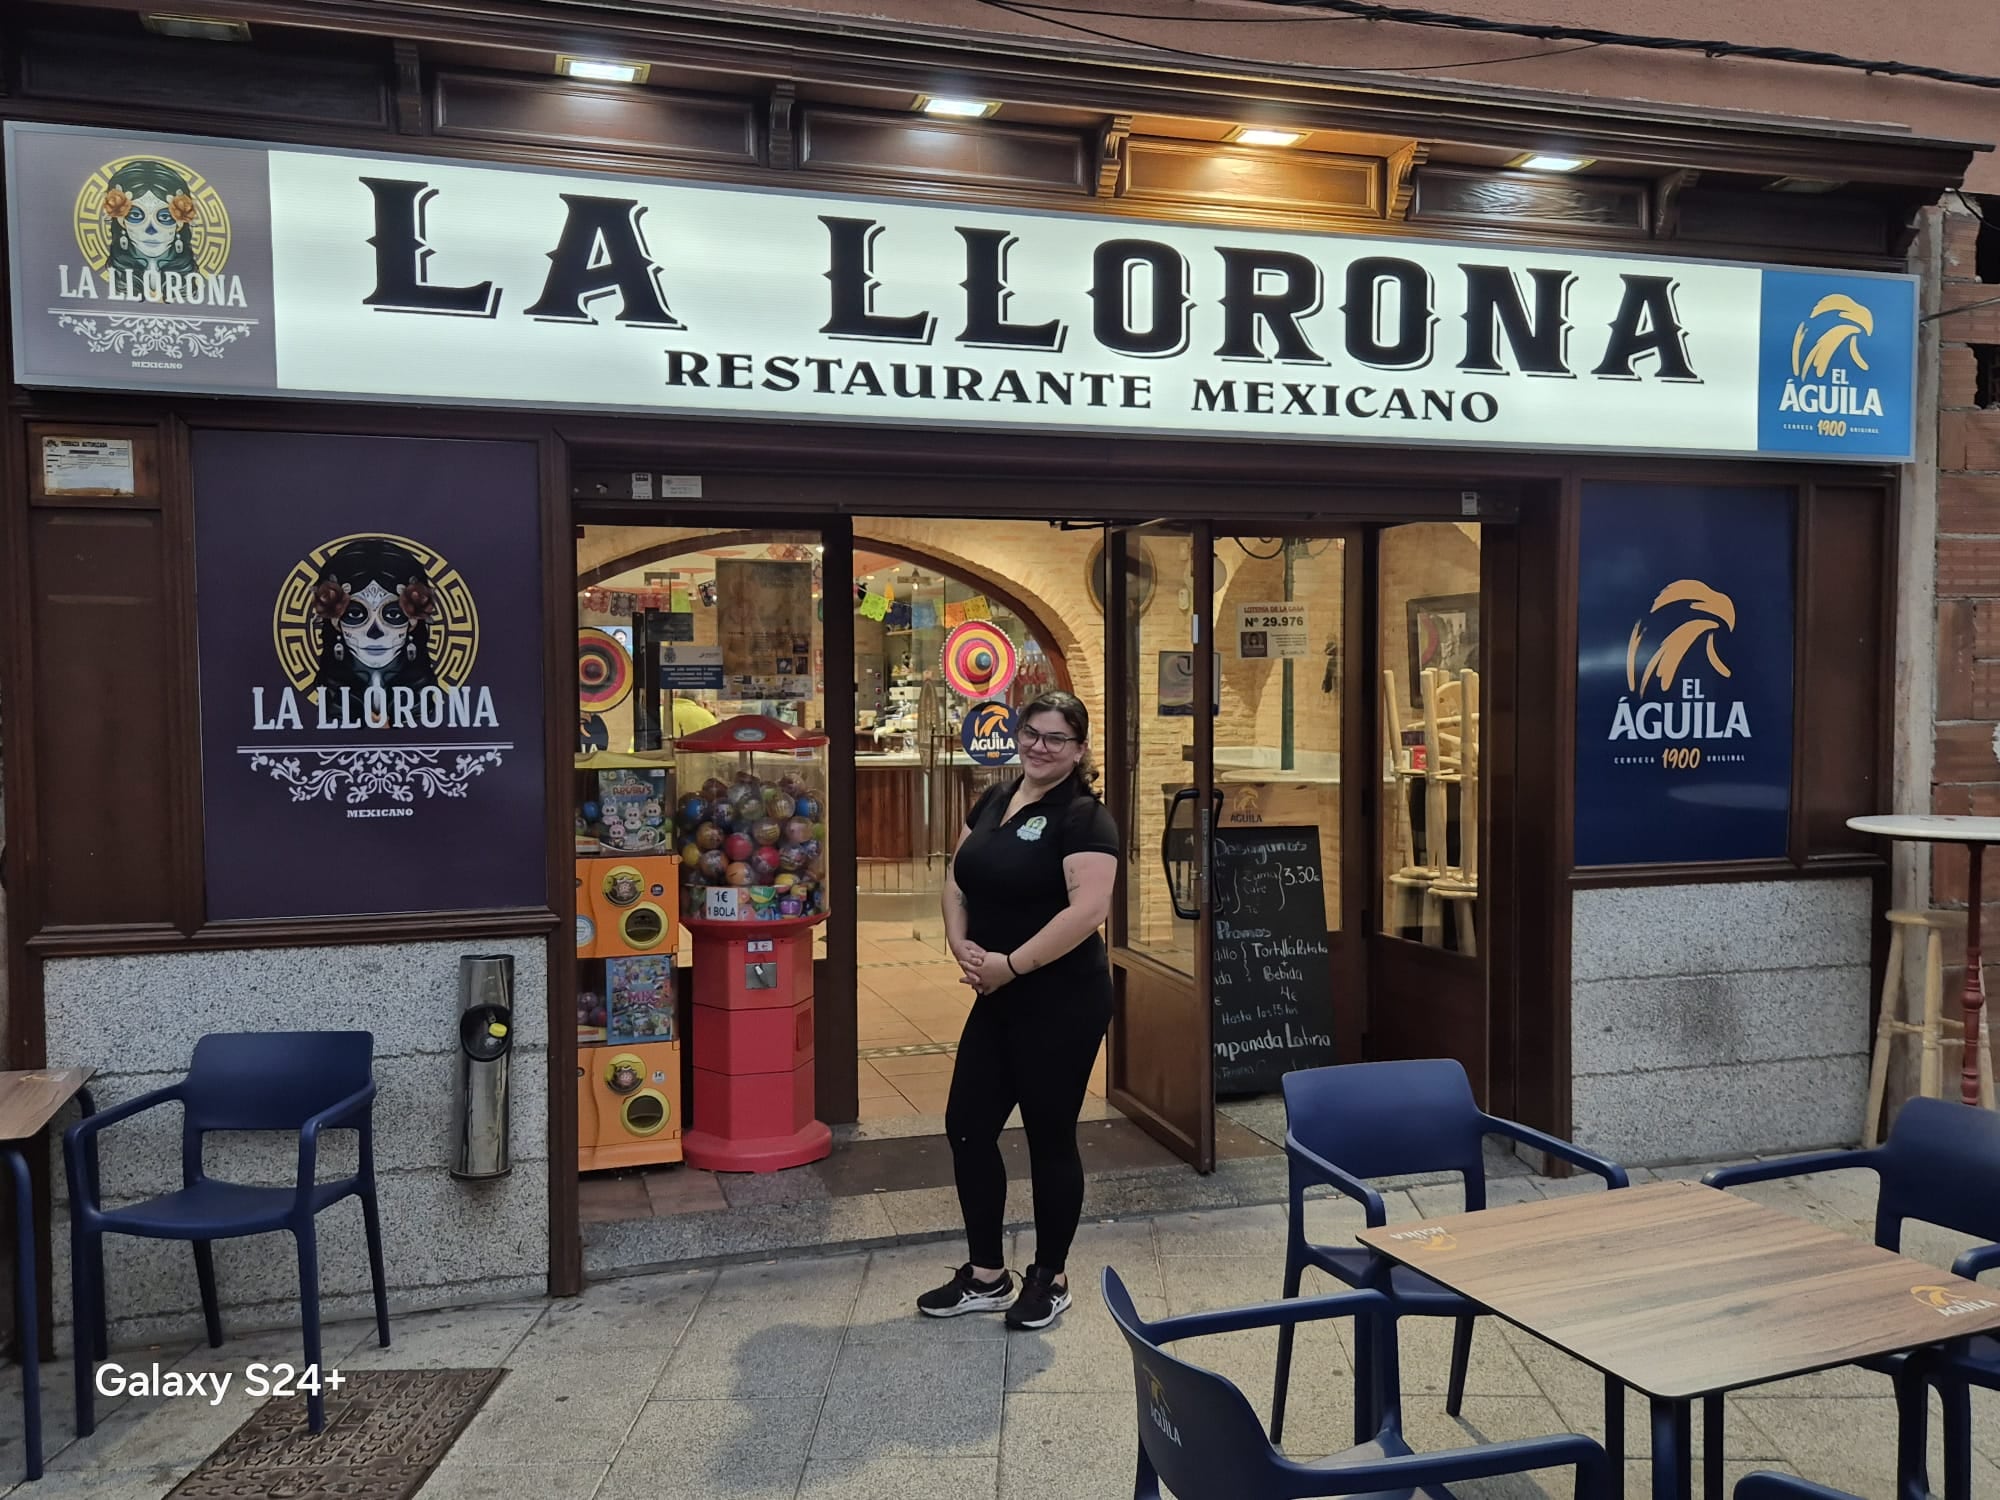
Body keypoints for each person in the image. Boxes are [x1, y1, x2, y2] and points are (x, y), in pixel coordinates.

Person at [916, 691, 1119, 1330]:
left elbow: (1087, 911)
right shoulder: (995, 799)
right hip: (997, 995)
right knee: (968, 1126)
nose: (1039, 746)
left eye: (1056, 738)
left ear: (1079, 749)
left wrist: (1011, 964)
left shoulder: (1086, 818)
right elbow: (957, 875)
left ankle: (1049, 1275)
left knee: (1047, 1134)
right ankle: (985, 1274)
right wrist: (959, 940)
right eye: (1031, 733)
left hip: (1061, 998)